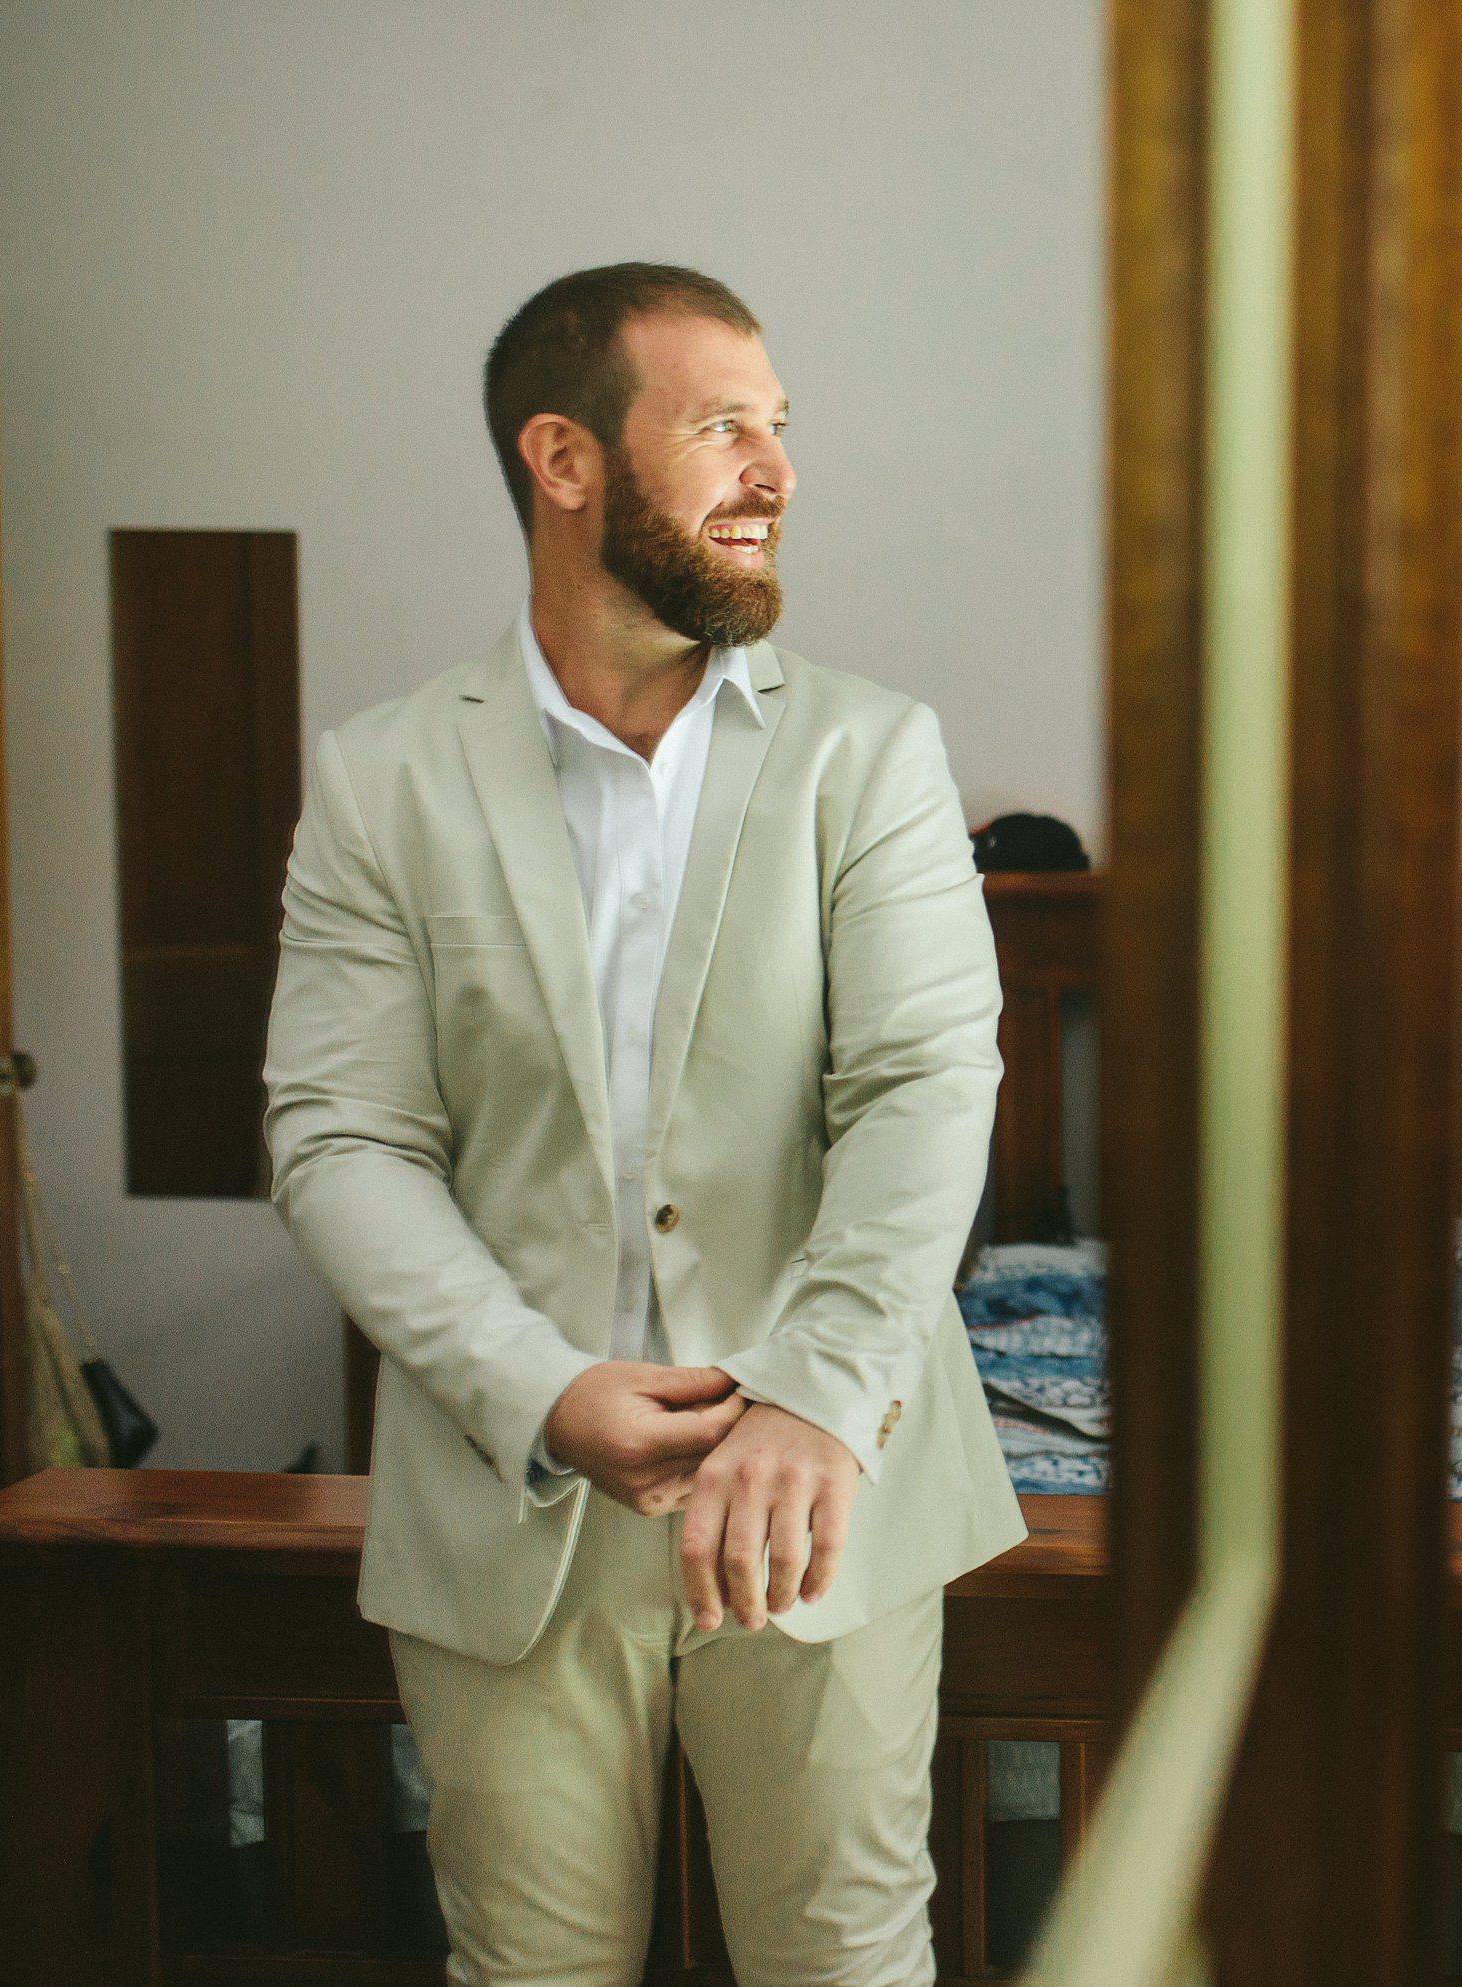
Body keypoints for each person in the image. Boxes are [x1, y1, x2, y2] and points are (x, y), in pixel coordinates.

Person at [265, 262, 1022, 1984]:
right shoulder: (383, 778)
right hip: (510, 1495)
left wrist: (815, 1398)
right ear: (565, 458)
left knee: (844, 1965)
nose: (777, 471)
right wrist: (535, 1390)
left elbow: (924, 1088)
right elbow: (342, 1138)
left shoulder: (871, 755)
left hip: (831, 1487)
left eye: (781, 428)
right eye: (723, 427)